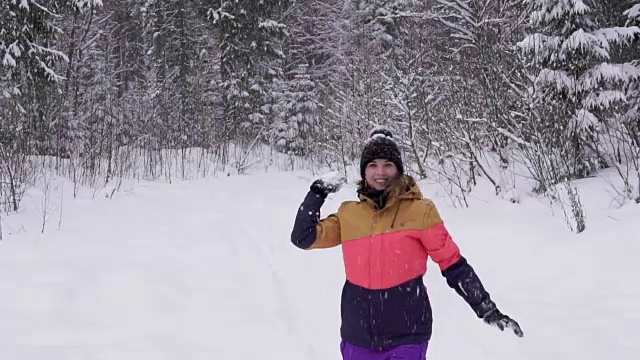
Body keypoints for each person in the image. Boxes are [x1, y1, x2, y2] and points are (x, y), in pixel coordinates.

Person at [290, 128, 523, 360]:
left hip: (408, 335)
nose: (380, 172)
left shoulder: (421, 211)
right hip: (358, 335)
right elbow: (302, 237)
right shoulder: (349, 214)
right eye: (373, 165)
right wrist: (316, 193)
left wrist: (486, 307)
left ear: (399, 169)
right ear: (364, 171)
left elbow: (452, 264)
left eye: (388, 165)